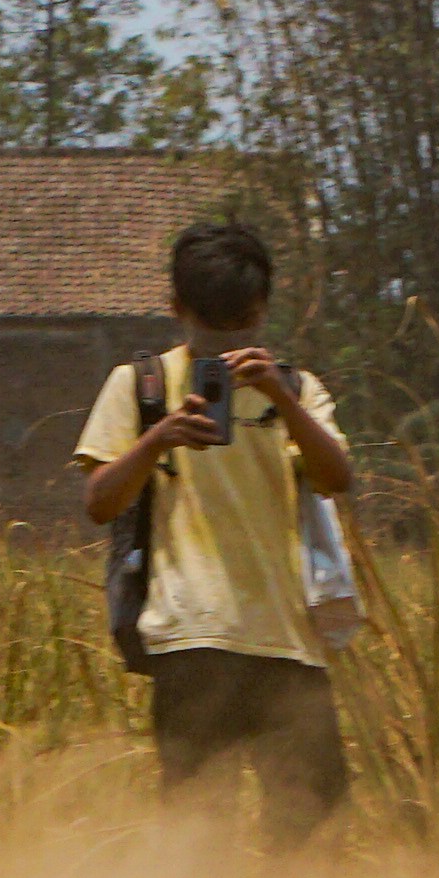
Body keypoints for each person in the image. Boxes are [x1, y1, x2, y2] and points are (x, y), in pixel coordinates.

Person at [75, 216, 361, 837]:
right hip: (190, 638)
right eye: (213, 325)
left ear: (262, 307)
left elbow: (336, 477)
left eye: (242, 323)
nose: (227, 339)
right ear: (177, 308)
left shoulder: (298, 389)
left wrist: (281, 401)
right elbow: (99, 500)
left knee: (314, 828)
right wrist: (159, 438)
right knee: (198, 835)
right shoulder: (140, 385)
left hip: (289, 642)